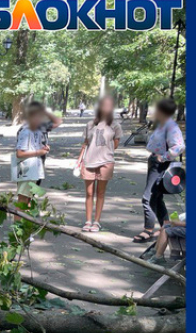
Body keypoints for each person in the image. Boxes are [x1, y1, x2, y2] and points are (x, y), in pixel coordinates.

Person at [133, 98, 186, 243]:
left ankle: (148, 230)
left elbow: (179, 147)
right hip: (155, 163)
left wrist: (163, 157)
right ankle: (165, 227)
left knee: (147, 198)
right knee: (156, 198)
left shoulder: (170, 126)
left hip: (161, 165)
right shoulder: (162, 125)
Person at [75, 96, 122, 232]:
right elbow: (85, 143)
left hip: (106, 162)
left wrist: (104, 151)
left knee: (100, 193)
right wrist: (79, 161)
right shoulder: (90, 124)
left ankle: (96, 222)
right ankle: (88, 220)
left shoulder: (115, 125)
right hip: (89, 161)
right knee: (89, 193)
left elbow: (115, 144)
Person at [13, 101, 63, 208]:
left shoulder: (40, 127)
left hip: (37, 165)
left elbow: (58, 121)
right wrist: (39, 152)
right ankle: (19, 223)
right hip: (26, 167)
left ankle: (27, 221)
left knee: (29, 196)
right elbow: (19, 153)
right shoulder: (26, 130)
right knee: (22, 199)